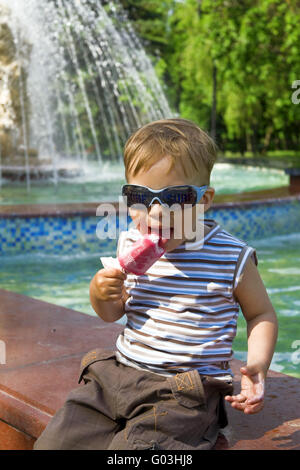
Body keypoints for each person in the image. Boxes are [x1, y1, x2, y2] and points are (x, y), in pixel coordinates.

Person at [34, 118, 278, 450]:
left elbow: (261, 313)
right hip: (117, 375)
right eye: (139, 196)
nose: (156, 211)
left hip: (184, 392)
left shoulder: (231, 256)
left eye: (176, 197)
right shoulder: (129, 242)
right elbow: (112, 313)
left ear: (204, 200)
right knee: (54, 444)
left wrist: (257, 365)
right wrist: (100, 293)